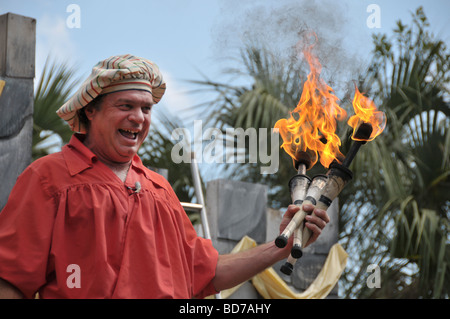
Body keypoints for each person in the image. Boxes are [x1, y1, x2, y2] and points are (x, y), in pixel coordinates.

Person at [0, 54, 329, 299]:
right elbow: (10, 281)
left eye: (146, 109)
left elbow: (207, 272)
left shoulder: (160, 190)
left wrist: (281, 244)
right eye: (125, 105)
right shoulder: (49, 178)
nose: (138, 118)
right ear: (91, 110)